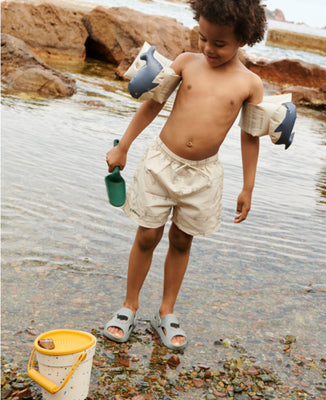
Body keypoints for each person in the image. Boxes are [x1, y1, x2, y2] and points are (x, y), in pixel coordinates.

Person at [104, 0, 267, 350]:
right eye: (203, 38)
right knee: (147, 234)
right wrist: (124, 146)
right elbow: (152, 104)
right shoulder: (186, 63)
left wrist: (248, 187)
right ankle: (129, 305)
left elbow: (250, 136)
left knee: (182, 241)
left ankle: (166, 311)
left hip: (203, 175)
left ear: (243, 39)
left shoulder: (249, 84)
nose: (208, 48)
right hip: (161, 163)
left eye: (219, 44)